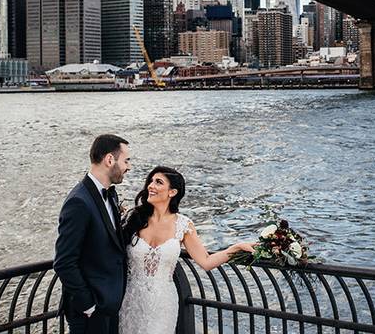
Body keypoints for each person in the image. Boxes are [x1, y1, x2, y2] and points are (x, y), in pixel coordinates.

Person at [118, 166, 255, 334]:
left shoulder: (183, 225)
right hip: (131, 298)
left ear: (172, 192)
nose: (150, 186)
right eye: (151, 181)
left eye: (158, 182)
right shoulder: (134, 218)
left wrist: (236, 248)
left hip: (163, 303)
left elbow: (206, 261)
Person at [54, 134, 132, 334]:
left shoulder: (110, 194)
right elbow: (64, 261)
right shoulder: (78, 202)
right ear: (109, 160)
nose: (128, 167)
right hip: (90, 312)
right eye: (126, 160)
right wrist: (88, 305)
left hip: (108, 305)